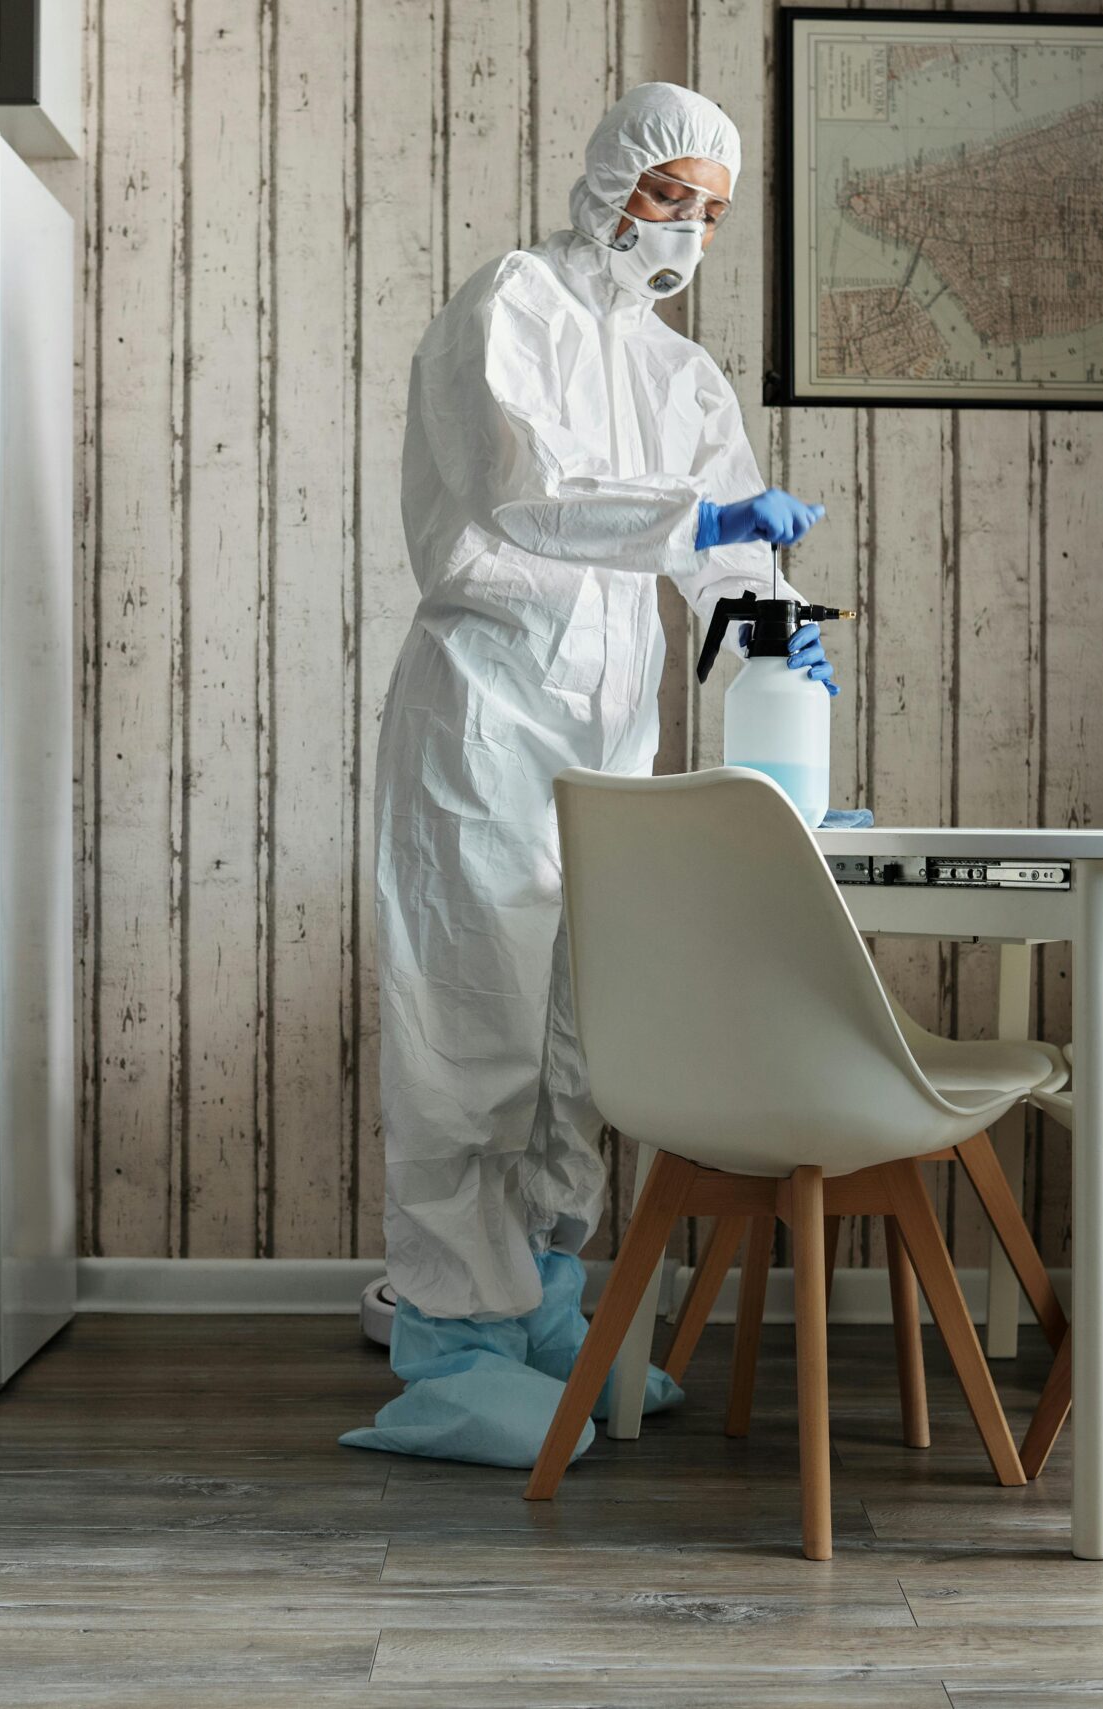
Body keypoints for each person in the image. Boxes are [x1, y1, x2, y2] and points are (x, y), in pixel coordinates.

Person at [344, 83, 835, 1468]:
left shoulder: (684, 377)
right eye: (671, 194)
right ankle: (451, 1340)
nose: (686, 230)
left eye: (715, 213)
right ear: (612, 178)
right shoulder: (517, 307)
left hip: (616, 735)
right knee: (472, 1031)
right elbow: (523, 490)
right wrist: (705, 515)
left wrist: (773, 624)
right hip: (491, 714)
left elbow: (726, 553)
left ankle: (551, 1302)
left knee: (575, 1040)